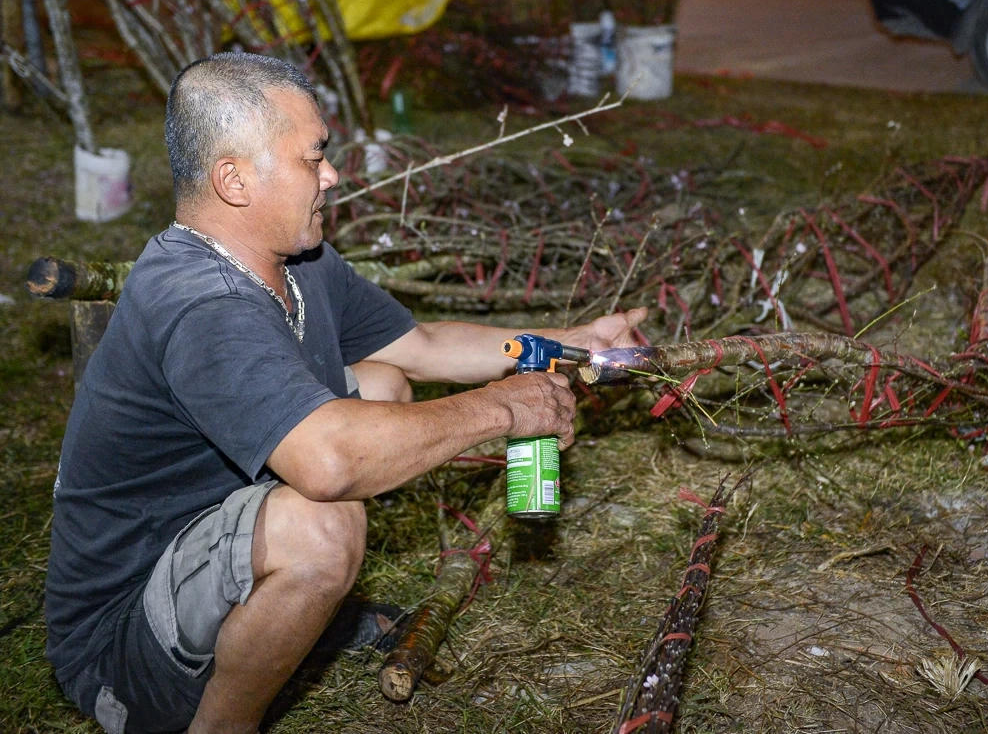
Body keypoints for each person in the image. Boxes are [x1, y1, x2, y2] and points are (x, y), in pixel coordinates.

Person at [44, 51, 646, 734]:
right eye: (312, 158)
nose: (331, 175)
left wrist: (579, 340)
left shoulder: (296, 260)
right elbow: (328, 463)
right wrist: (505, 407)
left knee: (383, 385)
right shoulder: (202, 303)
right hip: (121, 646)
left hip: (198, 559)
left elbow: (421, 347)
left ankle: (282, 622)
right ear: (234, 179)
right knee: (322, 526)